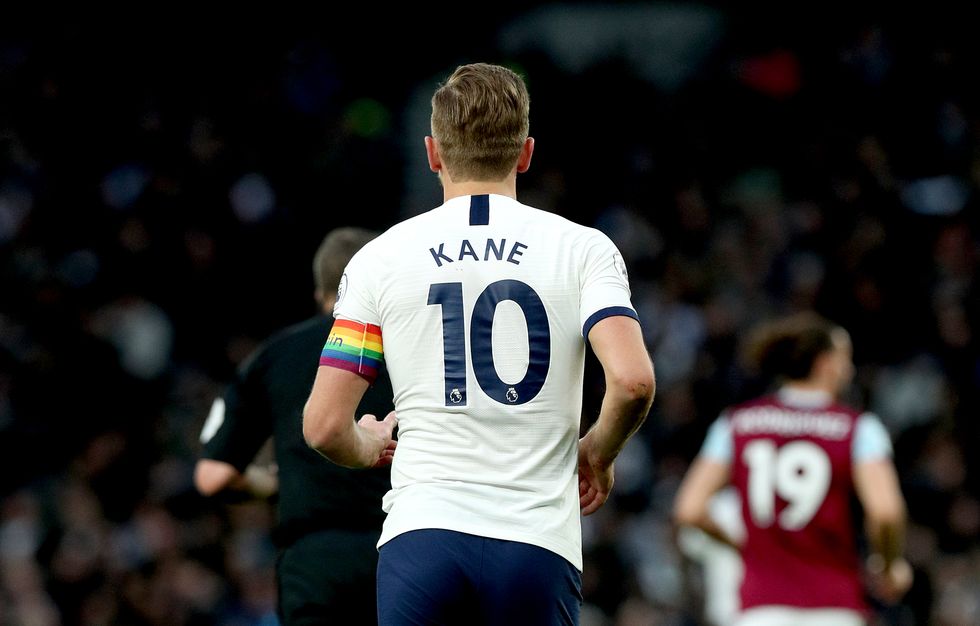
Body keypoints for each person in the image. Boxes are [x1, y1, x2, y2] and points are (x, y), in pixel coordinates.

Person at [302, 62, 655, 625]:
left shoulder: (379, 260)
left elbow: (323, 425)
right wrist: (598, 452)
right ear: (526, 153)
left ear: (433, 153)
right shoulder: (584, 250)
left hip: (423, 538)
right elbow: (634, 382)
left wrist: (365, 446)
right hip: (536, 541)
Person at [194, 227, 394, 626]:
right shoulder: (416, 343)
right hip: (406, 551)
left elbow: (212, 475)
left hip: (315, 565)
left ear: (321, 294)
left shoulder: (273, 356)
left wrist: (270, 483)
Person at [673, 311, 912, 626]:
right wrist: (890, 563)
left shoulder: (734, 424)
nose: (850, 370)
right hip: (834, 606)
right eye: (845, 359)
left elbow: (689, 510)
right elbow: (885, 512)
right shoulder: (859, 429)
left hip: (760, 609)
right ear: (825, 363)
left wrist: (746, 547)